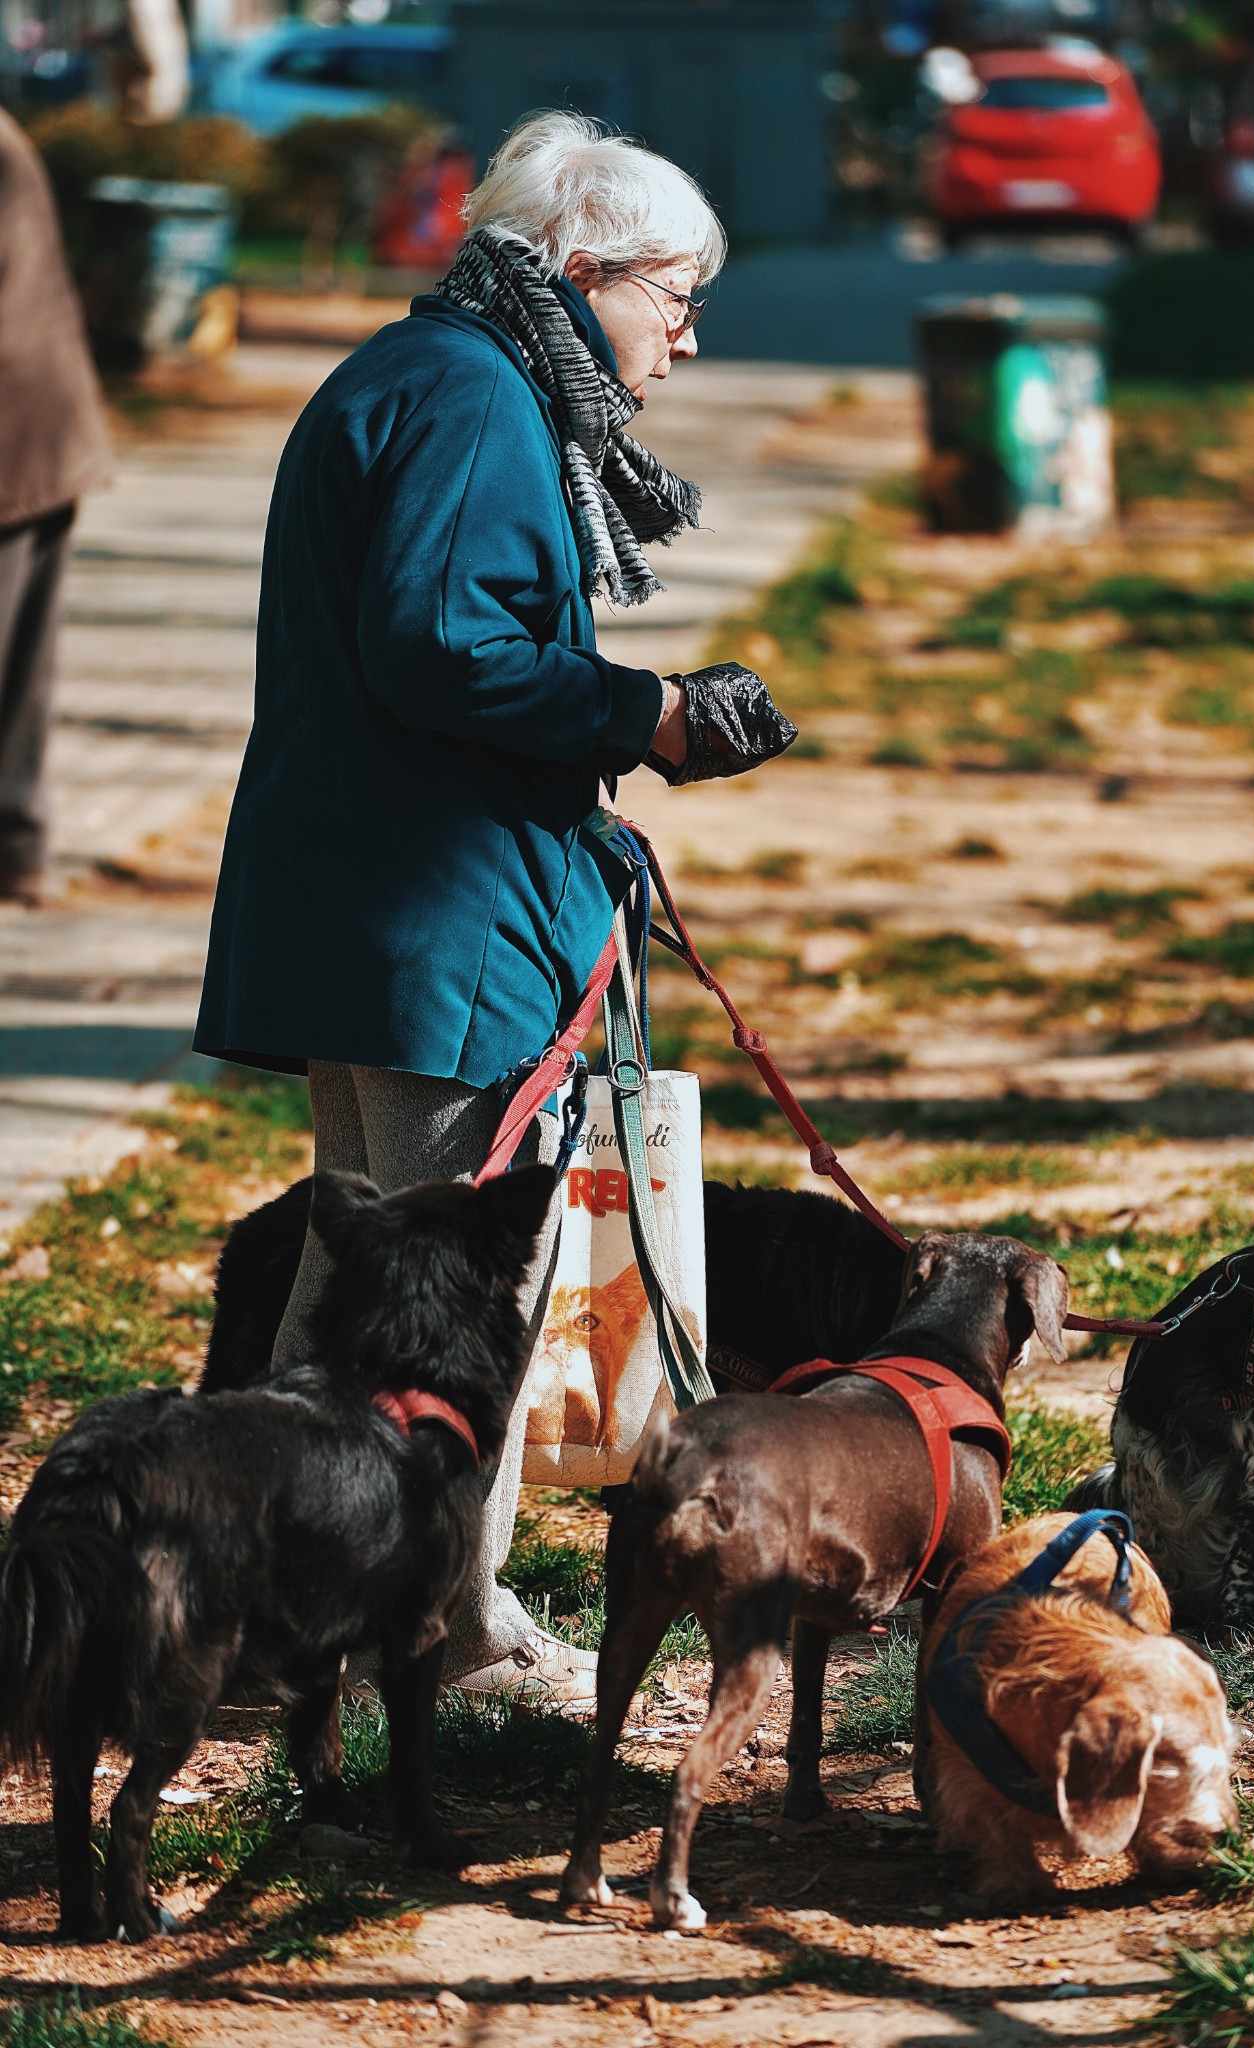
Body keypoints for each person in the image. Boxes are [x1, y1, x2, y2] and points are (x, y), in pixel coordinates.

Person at [195, 112, 791, 1709]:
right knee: (461, 1309)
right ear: (581, 271)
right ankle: (453, 1635)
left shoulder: (436, 369)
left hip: (380, 905)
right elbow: (445, 647)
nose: (686, 328)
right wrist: (648, 713)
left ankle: (254, 1616)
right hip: (437, 921)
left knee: (350, 1300)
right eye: (675, 291)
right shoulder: (472, 397)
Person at [0, 109, 111, 906]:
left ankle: (16, 845)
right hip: (39, 426)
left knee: (18, 662)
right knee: (20, 665)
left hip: (20, 430)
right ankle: (17, 846)